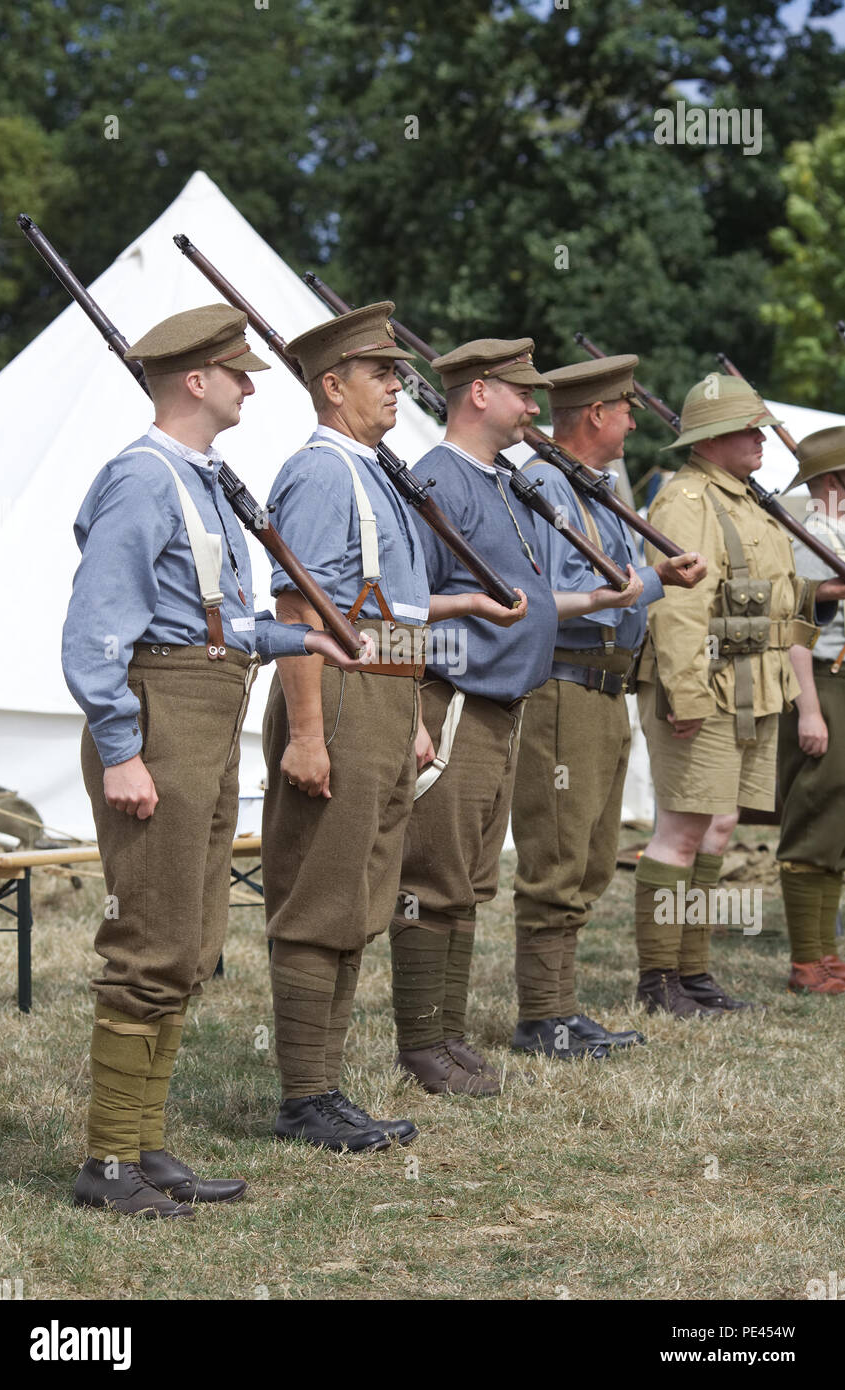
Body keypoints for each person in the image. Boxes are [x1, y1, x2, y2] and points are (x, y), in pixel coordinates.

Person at [63, 304, 363, 1218]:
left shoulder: (198, 480)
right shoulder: (144, 478)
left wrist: (293, 635)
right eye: (237, 373)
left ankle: (146, 1149)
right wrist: (121, 749)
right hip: (159, 719)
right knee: (148, 943)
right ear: (195, 381)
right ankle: (109, 1162)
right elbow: (96, 629)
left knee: (188, 945)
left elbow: (209, 617)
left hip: (204, 708)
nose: (249, 385)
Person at [261, 305, 527, 1150]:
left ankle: (324, 1088)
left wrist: (411, 710)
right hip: (335, 696)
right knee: (321, 897)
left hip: (381, 692)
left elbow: (393, 608)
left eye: (399, 374)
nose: (398, 386)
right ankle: (306, 1096)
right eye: (381, 374)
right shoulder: (319, 471)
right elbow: (300, 608)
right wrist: (307, 734)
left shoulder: (371, 472)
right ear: (331, 385)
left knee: (359, 899)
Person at [390, 339, 645, 1093]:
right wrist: (413, 706)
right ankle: (421, 1042)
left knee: (469, 881)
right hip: (457, 697)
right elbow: (406, 601)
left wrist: (595, 601)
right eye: (519, 392)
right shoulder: (440, 478)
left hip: (502, 701)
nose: (535, 406)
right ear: (476, 393)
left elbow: (525, 599)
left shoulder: (501, 481)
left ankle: (450, 1034)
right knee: (431, 876)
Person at [510, 356, 707, 1059]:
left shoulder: (593, 490)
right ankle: (542, 1016)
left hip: (601, 687)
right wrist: (649, 580)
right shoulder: (541, 486)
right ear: (595, 413)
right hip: (563, 684)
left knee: (590, 858)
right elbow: (566, 589)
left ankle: (558, 1007)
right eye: (626, 406)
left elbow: (611, 587)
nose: (634, 418)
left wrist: (653, 581)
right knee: (558, 855)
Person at [633, 374, 845, 1016]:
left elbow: (777, 600)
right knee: (679, 832)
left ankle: (692, 970)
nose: (762, 439)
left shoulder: (750, 502)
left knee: (719, 830)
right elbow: (679, 611)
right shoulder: (687, 500)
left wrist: (821, 595)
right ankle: (659, 980)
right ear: (715, 437)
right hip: (709, 691)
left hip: (754, 688)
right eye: (750, 429)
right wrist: (688, 695)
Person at [776, 428, 845, 993]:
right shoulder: (810, 536)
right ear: (831, 480)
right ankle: (807, 960)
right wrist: (809, 710)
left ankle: (827, 955)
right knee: (814, 816)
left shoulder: (836, 533)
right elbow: (794, 633)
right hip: (824, 681)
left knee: (837, 823)